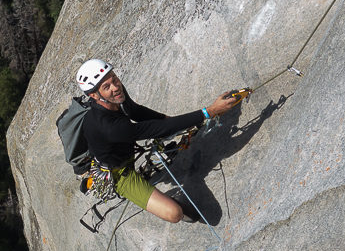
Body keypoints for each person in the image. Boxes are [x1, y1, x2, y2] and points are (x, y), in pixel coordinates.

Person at [75, 58, 241, 223]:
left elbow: (135, 111)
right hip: (119, 174)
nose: (115, 87)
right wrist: (209, 111)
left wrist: (166, 119)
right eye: (107, 87)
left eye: (114, 79)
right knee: (174, 213)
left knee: (167, 129)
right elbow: (153, 130)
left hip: (124, 148)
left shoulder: (115, 95)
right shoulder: (109, 127)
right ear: (94, 95)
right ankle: (166, 201)